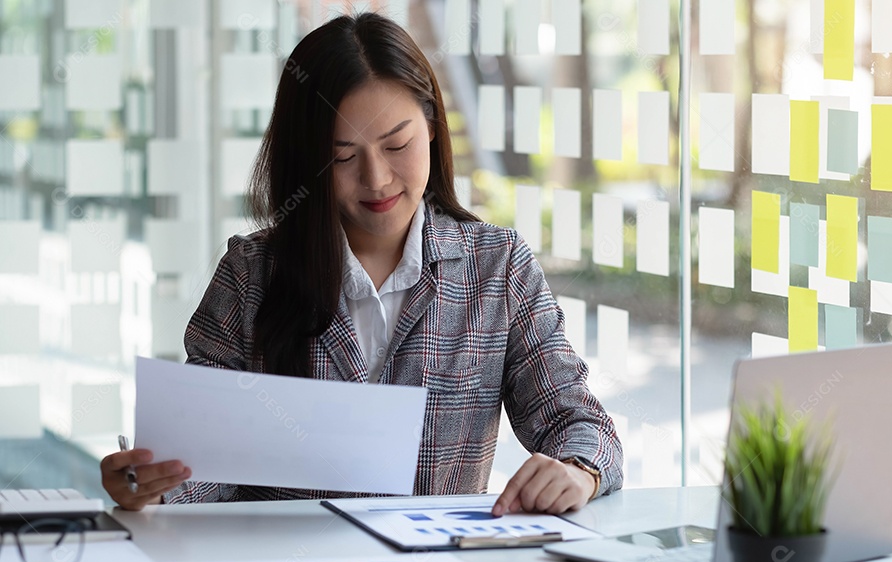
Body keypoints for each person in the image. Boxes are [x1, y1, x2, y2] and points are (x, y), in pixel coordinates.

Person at [100, 12, 623, 516]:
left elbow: (577, 420)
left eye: (397, 144)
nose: (376, 179)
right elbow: (204, 454)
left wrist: (578, 469)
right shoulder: (251, 274)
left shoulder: (496, 268)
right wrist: (149, 483)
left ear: (435, 128)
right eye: (343, 157)